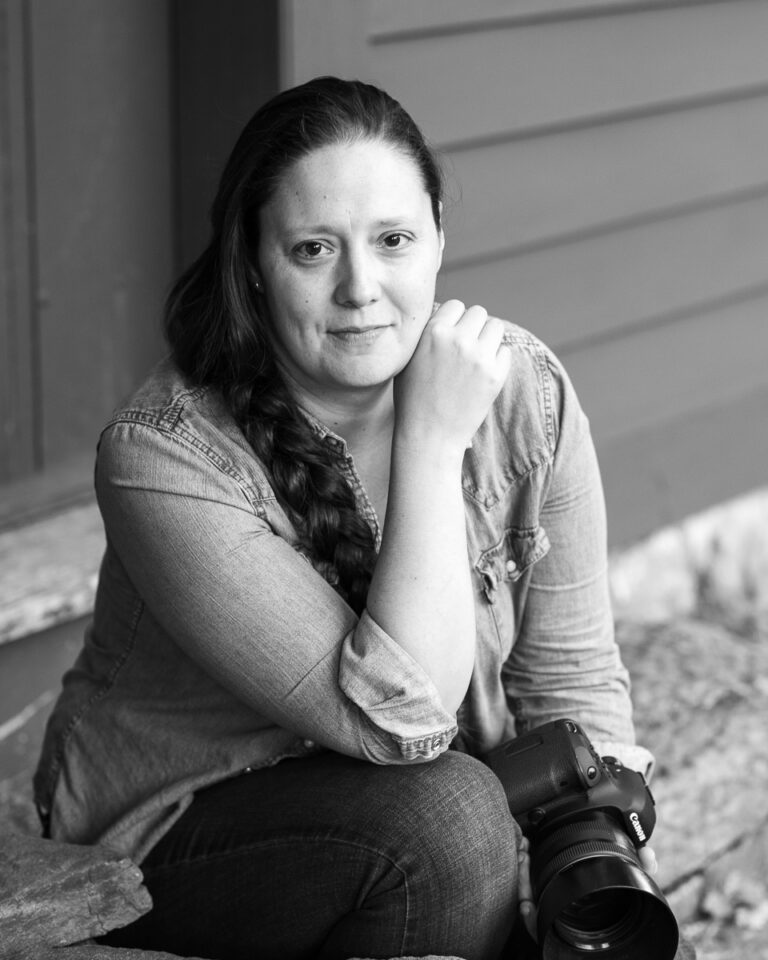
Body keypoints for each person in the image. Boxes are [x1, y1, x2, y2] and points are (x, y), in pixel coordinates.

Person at [34, 76, 660, 960]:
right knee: (447, 820)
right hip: (179, 836)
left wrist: (596, 849)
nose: (361, 289)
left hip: (431, 812)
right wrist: (433, 446)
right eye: (314, 250)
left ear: (440, 232)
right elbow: (404, 727)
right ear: (253, 261)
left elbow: (575, 681)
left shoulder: (524, 391)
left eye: (394, 240)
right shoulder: (164, 458)